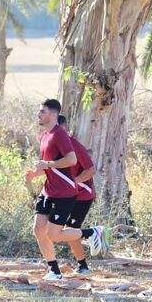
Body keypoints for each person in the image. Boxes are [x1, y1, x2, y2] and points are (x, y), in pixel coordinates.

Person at [24, 99, 107, 281]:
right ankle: (54, 271)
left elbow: (71, 160)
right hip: (49, 191)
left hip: (66, 193)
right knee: (38, 230)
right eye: (39, 111)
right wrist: (35, 173)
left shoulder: (61, 136)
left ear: (54, 115)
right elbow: (49, 166)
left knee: (55, 234)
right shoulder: (45, 136)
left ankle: (92, 233)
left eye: (43, 111)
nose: (39, 114)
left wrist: (49, 165)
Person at [55, 115, 101, 276]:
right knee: (55, 229)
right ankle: (82, 265)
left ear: (64, 129)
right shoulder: (50, 146)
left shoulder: (75, 146)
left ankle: (93, 235)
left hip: (82, 194)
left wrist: (72, 183)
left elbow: (91, 170)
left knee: (70, 229)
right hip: (63, 195)